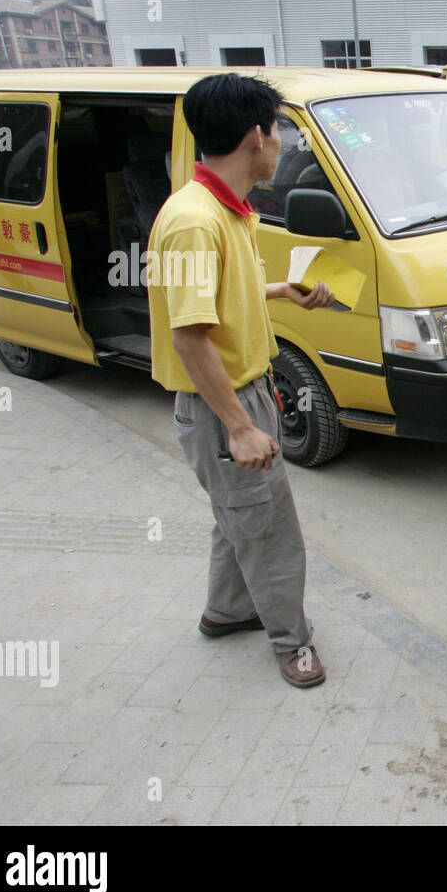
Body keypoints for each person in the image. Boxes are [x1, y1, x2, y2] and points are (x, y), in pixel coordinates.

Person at [147, 73, 335, 688]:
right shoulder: (193, 222)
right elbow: (189, 336)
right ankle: (292, 642)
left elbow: (222, 297)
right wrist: (239, 427)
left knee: (240, 514)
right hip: (221, 402)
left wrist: (283, 292)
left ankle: (226, 612)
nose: (279, 142)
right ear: (257, 135)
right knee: (270, 527)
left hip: (244, 392)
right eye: (277, 129)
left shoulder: (227, 210)